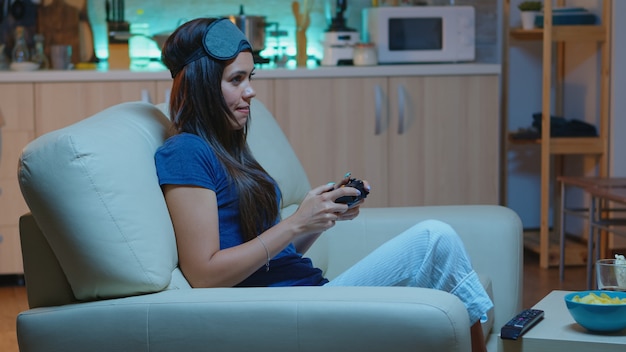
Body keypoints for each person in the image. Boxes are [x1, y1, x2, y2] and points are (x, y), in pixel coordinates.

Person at [155, 18, 492, 352]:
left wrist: (319, 219)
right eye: (236, 79)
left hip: (308, 294)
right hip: (288, 310)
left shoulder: (227, 146)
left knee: (437, 253)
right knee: (434, 240)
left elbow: (267, 258)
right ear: (201, 85)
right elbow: (204, 274)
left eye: (250, 77)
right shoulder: (185, 151)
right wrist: (295, 222)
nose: (250, 90)